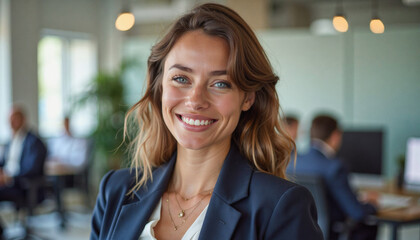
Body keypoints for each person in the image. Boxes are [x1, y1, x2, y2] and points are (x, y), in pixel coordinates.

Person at [91, 3, 323, 240]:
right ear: (159, 86)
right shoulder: (117, 189)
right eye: (181, 78)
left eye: (220, 83)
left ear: (247, 98)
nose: (195, 100)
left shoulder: (280, 207)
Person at [288, 114, 377, 240]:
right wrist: (373, 205)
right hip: (330, 233)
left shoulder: (293, 162)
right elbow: (356, 212)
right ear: (335, 136)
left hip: (300, 232)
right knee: (369, 225)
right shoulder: (335, 167)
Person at [0, 105, 47, 237]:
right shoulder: (11, 140)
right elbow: (5, 163)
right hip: (9, 183)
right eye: (9, 119)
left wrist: (9, 178)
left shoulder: (34, 142)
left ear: (23, 119)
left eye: (14, 118)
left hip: (24, 186)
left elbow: (32, 169)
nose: (10, 122)